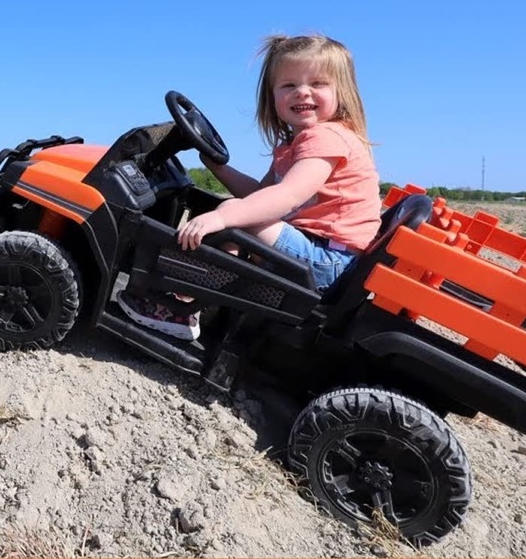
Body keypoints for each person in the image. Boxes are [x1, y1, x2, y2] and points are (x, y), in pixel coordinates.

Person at [119, 34, 381, 340]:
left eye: (318, 83)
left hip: (327, 262)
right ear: (272, 95)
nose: (302, 92)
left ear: (342, 92)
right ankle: (199, 299)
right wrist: (216, 165)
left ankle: (183, 308)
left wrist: (222, 217)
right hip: (320, 254)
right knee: (239, 213)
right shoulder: (295, 144)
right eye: (289, 85)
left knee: (233, 215)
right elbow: (260, 195)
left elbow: (288, 196)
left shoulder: (326, 138)